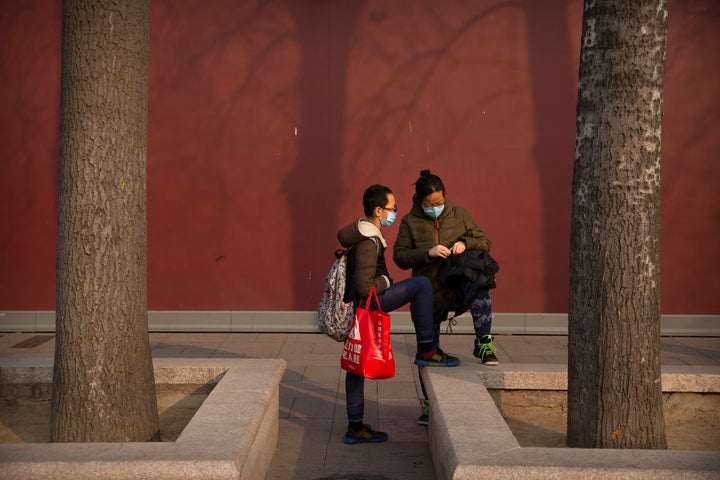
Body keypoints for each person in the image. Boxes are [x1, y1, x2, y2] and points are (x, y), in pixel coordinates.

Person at [337, 184, 460, 445]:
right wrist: (386, 280)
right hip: (370, 303)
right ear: (379, 210)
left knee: (356, 366)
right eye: (392, 209)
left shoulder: (362, 232)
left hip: (359, 308)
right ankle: (427, 347)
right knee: (421, 285)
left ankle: (355, 427)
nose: (395, 213)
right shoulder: (370, 241)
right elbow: (365, 286)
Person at [394, 169, 499, 366]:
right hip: (429, 291)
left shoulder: (460, 214)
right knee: (428, 355)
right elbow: (399, 256)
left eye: (439, 202)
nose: (436, 207)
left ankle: (484, 344)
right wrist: (428, 253)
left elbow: (485, 242)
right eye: (430, 205)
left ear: (444, 195)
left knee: (481, 287)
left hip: (457, 283)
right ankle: (428, 391)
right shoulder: (409, 221)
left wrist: (466, 243)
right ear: (418, 200)